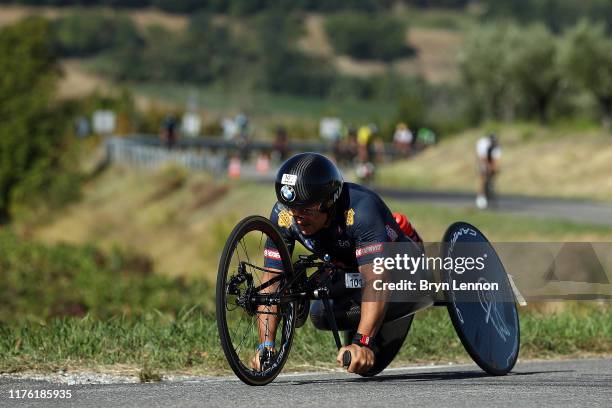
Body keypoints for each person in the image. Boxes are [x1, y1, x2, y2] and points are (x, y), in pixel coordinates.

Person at [253, 153, 423, 374]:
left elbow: (376, 282)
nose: (297, 217)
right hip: (347, 267)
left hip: (400, 268)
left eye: (306, 209)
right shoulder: (284, 214)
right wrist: (265, 346)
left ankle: (402, 228)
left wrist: (362, 342)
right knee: (320, 316)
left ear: (329, 202)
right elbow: (271, 280)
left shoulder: (361, 210)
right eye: (292, 208)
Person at [475, 133, 501, 209]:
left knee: (494, 172)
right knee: (482, 175)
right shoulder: (482, 143)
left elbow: (497, 160)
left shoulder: (497, 146)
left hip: (490, 158)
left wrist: (494, 169)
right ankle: (481, 196)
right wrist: (487, 167)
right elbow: (482, 158)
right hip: (481, 158)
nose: (493, 143)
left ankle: (491, 188)